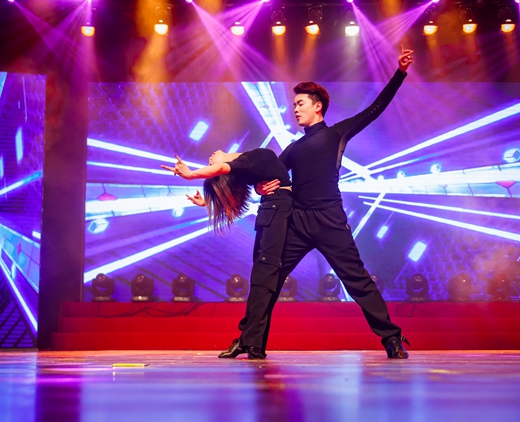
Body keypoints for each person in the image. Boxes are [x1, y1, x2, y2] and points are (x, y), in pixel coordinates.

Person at [223, 45, 414, 360]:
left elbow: (376, 108)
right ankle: (250, 341)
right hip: (297, 221)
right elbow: (267, 171)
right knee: (267, 280)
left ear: (318, 106)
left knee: (358, 281)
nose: (295, 110)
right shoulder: (293, 148)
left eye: (300, 104)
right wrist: (256, 185)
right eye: (294, 105)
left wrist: (400, 73)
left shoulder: (337, 134)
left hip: (329, 220)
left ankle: (392, 338)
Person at [162, 148, 291, 359]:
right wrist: (208, 199)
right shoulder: (246, 166)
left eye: (211, 165)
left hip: (281, 213)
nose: (210, 157)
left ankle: (248, 340)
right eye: (210, 165)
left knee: (263, 280)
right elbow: (227, 174)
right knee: (262, 281)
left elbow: (225, 169)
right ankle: (250, 341)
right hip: (273, 213)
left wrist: (191, 174)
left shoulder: (249, 161)